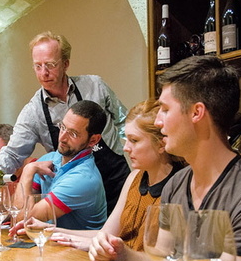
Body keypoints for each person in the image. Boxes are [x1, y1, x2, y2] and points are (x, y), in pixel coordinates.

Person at [88, 55, 241, 261]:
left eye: (164, 109)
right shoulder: (177, 184)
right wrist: (121, 254)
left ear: (196, 113)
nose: (159, 122)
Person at [0, 31, 130, 215]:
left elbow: (124, 121)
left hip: (116, 179)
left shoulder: (95, 85)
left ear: (66, 64)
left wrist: (133, 151)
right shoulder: (33, 112)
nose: (44, 73)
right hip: (74, 190)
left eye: (50, 65)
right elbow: (13, 153)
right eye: (37, 66)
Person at [50, 100, 183, 251]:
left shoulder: (178, 187)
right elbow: (105, 234)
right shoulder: (134, 178)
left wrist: (117, 252)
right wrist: (50, 230)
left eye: (134, 140)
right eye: (126, 140)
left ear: (160, 144)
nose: (126, 148)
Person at [0, 100, 108, 233]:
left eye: (73, 134)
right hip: (49, 246)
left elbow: (23, 217)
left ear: (93, 140)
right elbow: (14, 209)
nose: (62, 137)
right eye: (63, 127)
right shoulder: (52, 158)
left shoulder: (83, 178)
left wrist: (29, 170)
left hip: (78, 257)